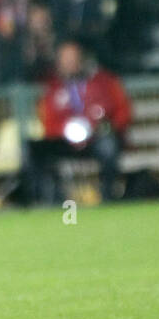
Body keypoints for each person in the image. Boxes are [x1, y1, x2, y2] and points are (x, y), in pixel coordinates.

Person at [28, 40, 132, 204]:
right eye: (66, 60)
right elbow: (46, 117)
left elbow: (122, 111)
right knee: (35, 149)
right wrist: (63, 129)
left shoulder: (103, 82)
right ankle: (50, 199)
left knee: (108, 147)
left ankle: (107, 196)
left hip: (95, 138)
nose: (70, 64)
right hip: (63, 138)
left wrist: (105, 126)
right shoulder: (51, 86)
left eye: (73, 59)